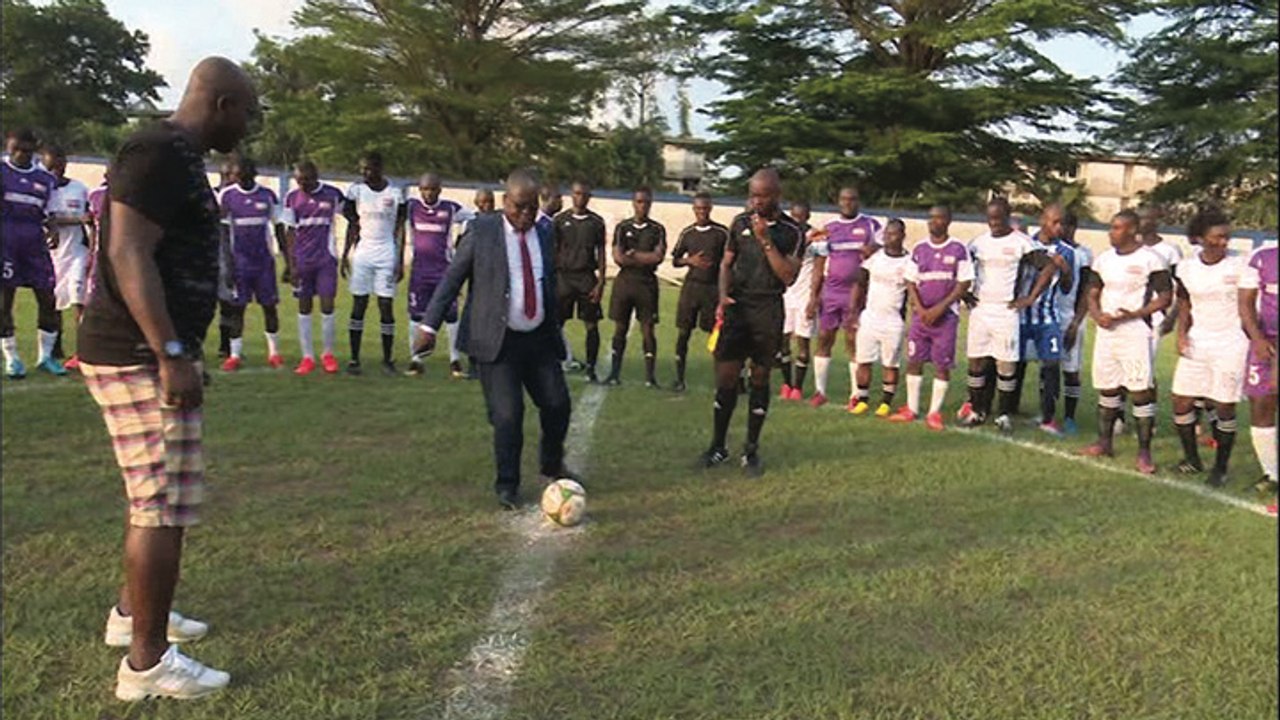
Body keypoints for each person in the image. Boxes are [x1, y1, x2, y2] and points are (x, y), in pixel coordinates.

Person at [77, 55, 256, 701]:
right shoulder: (158, 150)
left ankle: (133, 618)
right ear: (221, 105)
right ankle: (147, 666)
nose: (249, 127)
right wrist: (170, 351)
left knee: (168, 499)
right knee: (158, 503)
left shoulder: (177, 155)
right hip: (137, 353)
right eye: (248, 112)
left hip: (150, 351)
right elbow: (128, 250)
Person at [413, 169, 577, 510]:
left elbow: (545, 280)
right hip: (498, 341)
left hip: (538, 339)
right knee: (507, 415)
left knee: (558, 403)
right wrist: (428, 327)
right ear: (505, 202)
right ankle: (507, 485)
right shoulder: (482, 230)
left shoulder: (544, 232)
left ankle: (551, 463)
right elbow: (452, 279)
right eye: (520, 207)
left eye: (533, 207)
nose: (527, 215)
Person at [701, 168, 803, 475]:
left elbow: (788, 276)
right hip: (737, 308)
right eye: (752, 195)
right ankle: (718, 446)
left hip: (768, 310)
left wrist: (766, 240)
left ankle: (751, 450)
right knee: (727, 379)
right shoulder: (739, 222)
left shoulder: (792, 231)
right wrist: (722, 295)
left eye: (761, 196)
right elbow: (726, 263)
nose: (755, 202)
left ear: (776, 196)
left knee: (760, 378)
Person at [1079, 210, 1173, 473]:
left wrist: (1136, 314)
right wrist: (1097, 315)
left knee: (1140, 390)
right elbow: (1093, 292)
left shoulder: (1150, 260)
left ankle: (1144, 453)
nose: (1112, 232)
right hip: (1108, 333)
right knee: (1108, 389)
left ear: (1132, 230)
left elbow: (1165, 297)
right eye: (1111, 227)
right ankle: (1104, 443)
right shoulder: (1104, 259)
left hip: (1135, 332)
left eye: (1118, 228)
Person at [957, 198, 1060, 432]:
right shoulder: (977, 243)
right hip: (981, 309)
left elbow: (1049, 267)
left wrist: (1031, 297)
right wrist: (965, 295)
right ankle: (976, 409)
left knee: (1006, 364)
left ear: (1007, 216)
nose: (994, 223)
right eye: (990, 218)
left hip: (1006, 310)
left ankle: (1003, 414)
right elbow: (962, 270)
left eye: (998, 218)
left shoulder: (1021, 243)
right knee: (976, 360)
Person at [1170, 209, 1247, 487]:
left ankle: (1221, 468)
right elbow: (1184, 303)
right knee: (1181, 400)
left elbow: (1249, 304)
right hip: (1198, 341)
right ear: (1200, 238)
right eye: (1217, 237)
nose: (1223, 242)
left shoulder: (1240, 265)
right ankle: (1191, 459)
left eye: (1227, 237)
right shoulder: (1186, 268)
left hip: (1232, 342)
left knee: (1224, 406)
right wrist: (1181, 335)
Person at [890, 206, 973, 429]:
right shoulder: (919, 249)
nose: (934, 222)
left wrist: (939, 308)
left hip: (946, 318)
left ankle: (934, 413)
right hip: (921, 317)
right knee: (914, 361)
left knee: (941, 365)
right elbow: (910, 280)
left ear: (948, 221)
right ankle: (912, 408)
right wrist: (920, 308)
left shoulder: (958, 249)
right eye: (931, 218)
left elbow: (964, 283)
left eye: (939, 218)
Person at [807, 186, 880, 409]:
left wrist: (874, 248)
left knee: (853, 341)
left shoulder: (872, 225)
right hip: (831, 293)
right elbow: (819, 264)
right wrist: (813, 296)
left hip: (857, 294)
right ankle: (820, 391)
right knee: (824, 339)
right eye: (844, 199)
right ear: (838, 201)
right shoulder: (828, 228)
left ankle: (855, 394)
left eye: (853, 199)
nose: (848, 203)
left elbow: (888, 249)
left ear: (859, 201)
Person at [1, 128, 65, 378]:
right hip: (5, 240)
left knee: (49, 297)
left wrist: (53, 228)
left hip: (34, 242)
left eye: (26, 150)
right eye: (15, 149)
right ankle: (12, 358)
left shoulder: (45, 179)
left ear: (34, 149)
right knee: (5, 301)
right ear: (8, 146)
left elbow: (50, 212)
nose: (20, 154)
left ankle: (46, 357)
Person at [216, 155, 285, 371]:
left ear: (251, 175)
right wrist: (228, 263)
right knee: (238, 308)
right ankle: (234, 355)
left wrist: (287, 259)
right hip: (240, 262)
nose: (237, 179)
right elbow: (224, 231)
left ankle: (274, 353)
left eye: (240, 175)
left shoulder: (267, 196)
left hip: (264, 262)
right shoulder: (227, 196)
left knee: (269, 306)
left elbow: (279, 227)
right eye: (235, 175)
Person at [341, 150, 406, 376]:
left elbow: (400, 228)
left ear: (379, 168)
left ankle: (388, 360)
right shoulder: (355, 191)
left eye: (368, 168)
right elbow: (352, 225)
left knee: (385, 307)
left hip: (386, 252)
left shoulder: (396, 193)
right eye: (362, 169)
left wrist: (399, 259)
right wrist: (344, 256)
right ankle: (354, 359)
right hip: (363, 253)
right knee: (359, 304)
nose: (364, 173)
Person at [280, 160, 344, 375]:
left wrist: (348, 247)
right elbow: (289, 233)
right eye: (298, 180)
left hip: (326, 260)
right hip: (302, 261)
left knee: (327, 306)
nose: (302, 184)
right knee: (304, 307)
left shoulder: (333, 194)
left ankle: (328, 354)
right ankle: (307, 357)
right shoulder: (292, 198)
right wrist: (291, 265)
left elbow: (353, 216)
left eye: (306, 180)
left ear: (316, 176)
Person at [404, 173, 470, 377]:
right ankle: (416, 360)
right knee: (416, 315)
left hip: (444, 272)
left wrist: (461, 242)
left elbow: (473, 218)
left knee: (451, 316)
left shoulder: (450, 208)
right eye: (424, 189)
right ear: (419, 189)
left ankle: (455, 360)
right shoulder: (411, 207)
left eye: (432, 189)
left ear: (439, 189)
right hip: (419, 271)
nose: (428, 193)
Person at [1019, 204, 1075, 436]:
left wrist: (1066, 271)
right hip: (1020, 315)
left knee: (1051, 365)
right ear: (1043, 220)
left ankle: (1048, 417)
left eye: (1062, 223)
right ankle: (1002, 410)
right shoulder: (1024, 243)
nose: (1059, 227)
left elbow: (1067, 288)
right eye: (1055, 222)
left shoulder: (1067, 251)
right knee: (1011, 364)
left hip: (1047, 317)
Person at [605, 187, 666, 387]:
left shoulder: (657, 229)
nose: (643, 206)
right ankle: (614, 373)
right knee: (619, 328)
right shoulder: (622, 227)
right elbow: (618, 257)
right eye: (639, 202)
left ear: (650, 204)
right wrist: (642, 257)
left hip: (647, 284)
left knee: (648, 330)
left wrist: (634, 255)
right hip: (625, 283)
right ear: (633, 203)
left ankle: (650, 377)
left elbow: (658, 257)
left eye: (646, 202)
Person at [848, 218, 910, 417]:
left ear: (902, 235)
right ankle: (863, 400)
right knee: (863, 360)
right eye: (886, 234)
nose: (889, 238)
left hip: (893, 320)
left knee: (890, 363)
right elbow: (860, 282)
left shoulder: (909, 262)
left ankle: (885, 402)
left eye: (893, 234)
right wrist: (854, 310)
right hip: (870, 318)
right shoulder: (875, 258)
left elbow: (912, 291)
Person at [671, 192, 729, 392]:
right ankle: (679, 378)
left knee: (715, 335)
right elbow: (675, 259)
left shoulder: (721, 233)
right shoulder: (688, 233)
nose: (702, 212)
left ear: (710, 209)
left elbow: (729, 261)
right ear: (693, 210)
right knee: (684, 332)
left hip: (712, 289)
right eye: (698, 209)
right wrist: (690, 260)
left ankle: (719, 381)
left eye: (705, 208)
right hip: (691, 288)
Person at [42, 145, 93, 367]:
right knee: (52, 300)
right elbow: (47, 220)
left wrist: (87, 225)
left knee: (77, 297)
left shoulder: (79, 188)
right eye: (51, 166)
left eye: (59, 165)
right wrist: (76, 220)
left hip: (77, 251)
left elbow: (90, 215)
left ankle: (83, 350)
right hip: (53, 253)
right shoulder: (42, 190)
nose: (56, 171)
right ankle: (54, 348)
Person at [552, 181, 607, 382]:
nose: (580, 197)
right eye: (576, 193)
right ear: (571, 195)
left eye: (584, 194)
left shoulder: (596, 222)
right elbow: (553, 250)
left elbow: (600, 252)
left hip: (586, 278)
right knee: (556, 324)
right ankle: (557, 362)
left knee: (591, 325)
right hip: (564, 278)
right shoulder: (559, 220)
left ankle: (591, 368)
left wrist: (601, 282)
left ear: (589, 196)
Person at [1239, 239, 1277, 501]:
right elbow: (1245, 303)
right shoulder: (1262, 256)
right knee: (1261, 403)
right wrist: (1257, 339)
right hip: (1267, 343)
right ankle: (1272, 474)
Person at [779, 200, 817, 400]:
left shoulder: (817, 237)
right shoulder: (786, 235)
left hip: (804, 296)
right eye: (794, 216)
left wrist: (814, 299)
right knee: (783, 342)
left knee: (803, 343)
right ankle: (786, 383)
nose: (797, 220)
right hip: (786, 295)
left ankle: (798, 387)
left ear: (808, 216)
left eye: (801, 216)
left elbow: (819, 270)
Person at [1058, 211, 1091, 434]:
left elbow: (1086, 290)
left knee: (1071, 370)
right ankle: (1047, 413)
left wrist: (1076, 322)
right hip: (1050, 317)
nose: (1063, 229)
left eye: (1067, 225)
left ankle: (1069, 417)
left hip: (1071, 317)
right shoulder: (1053, 251)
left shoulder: (1083, 254)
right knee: (1048, 367)